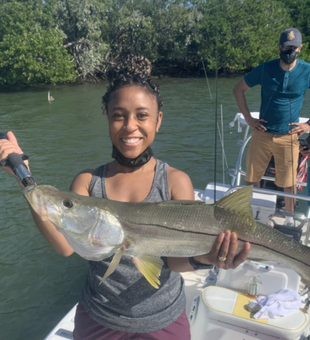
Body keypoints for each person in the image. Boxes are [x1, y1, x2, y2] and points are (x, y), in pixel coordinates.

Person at [0, 55, 250, 340]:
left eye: (141, 115)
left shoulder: (175, 181)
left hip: (163, 319)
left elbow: (175, 261)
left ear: (158, 121)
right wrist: (24, 179)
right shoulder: (88, 182)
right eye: (119, 114)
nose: (130, 125)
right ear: (107, 117)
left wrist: (208, 258)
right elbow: (65, 247)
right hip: (98, 318)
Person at [233, 27, 310, 222]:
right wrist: (249, 119)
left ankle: (290, 220)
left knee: (289, 182)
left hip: (289, 135)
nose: (289, 52)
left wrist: (308, 125)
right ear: (278, 48)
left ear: (300, 48)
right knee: (251, 176)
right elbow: (238, 89)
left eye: (293, 48)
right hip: (262, 133)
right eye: (285, 47)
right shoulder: (266, 68)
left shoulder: (306, 71)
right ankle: (250, 214)